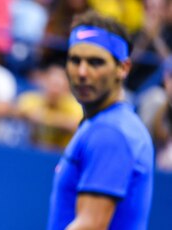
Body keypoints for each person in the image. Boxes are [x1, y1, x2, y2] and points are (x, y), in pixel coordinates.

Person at [47, 11, 154, 230]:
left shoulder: (110, 132)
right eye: (75, 60)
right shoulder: (103, 124)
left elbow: (91, 225)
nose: (82, 72)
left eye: (96, 62)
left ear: (123, 68)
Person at [16, 64, 83, 151]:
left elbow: (77, 124)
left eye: (58, 86)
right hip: (33, 150)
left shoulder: (74, 106)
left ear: (67, 88)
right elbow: (17, 111)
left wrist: (46, 118)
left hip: (61, 154)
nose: (54, 90)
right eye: (51, 84)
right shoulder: (32, 99)